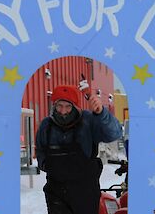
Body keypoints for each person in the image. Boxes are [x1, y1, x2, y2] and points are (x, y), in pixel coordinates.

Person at [36, 85, 122, 214]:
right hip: (56, 193)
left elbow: (114, 133)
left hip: (85, 193)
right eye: (59, 106)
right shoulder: (46, 126)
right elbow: (40, 150)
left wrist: (101, 113)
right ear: (54, 105)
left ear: (75, 106)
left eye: (68, 106)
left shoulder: (88, 121)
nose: (63, 111)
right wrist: (45, 164)